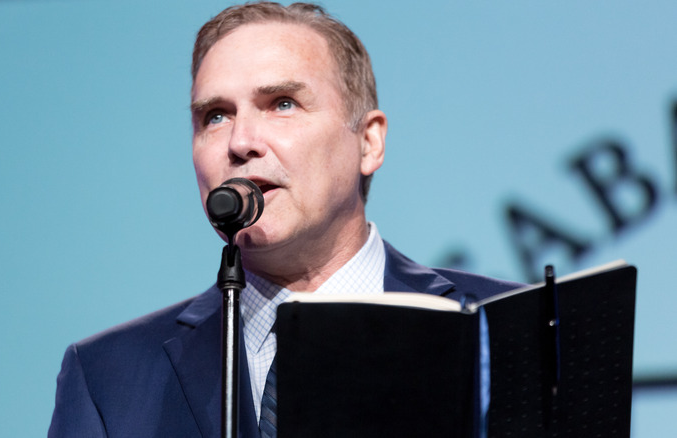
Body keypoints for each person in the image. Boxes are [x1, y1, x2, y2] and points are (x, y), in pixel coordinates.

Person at [48, 2, 523, 437]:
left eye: (282, 104)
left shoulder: (511, 327)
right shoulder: (108, 379)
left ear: (369, 142)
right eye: (215, 116)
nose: (240, 142)